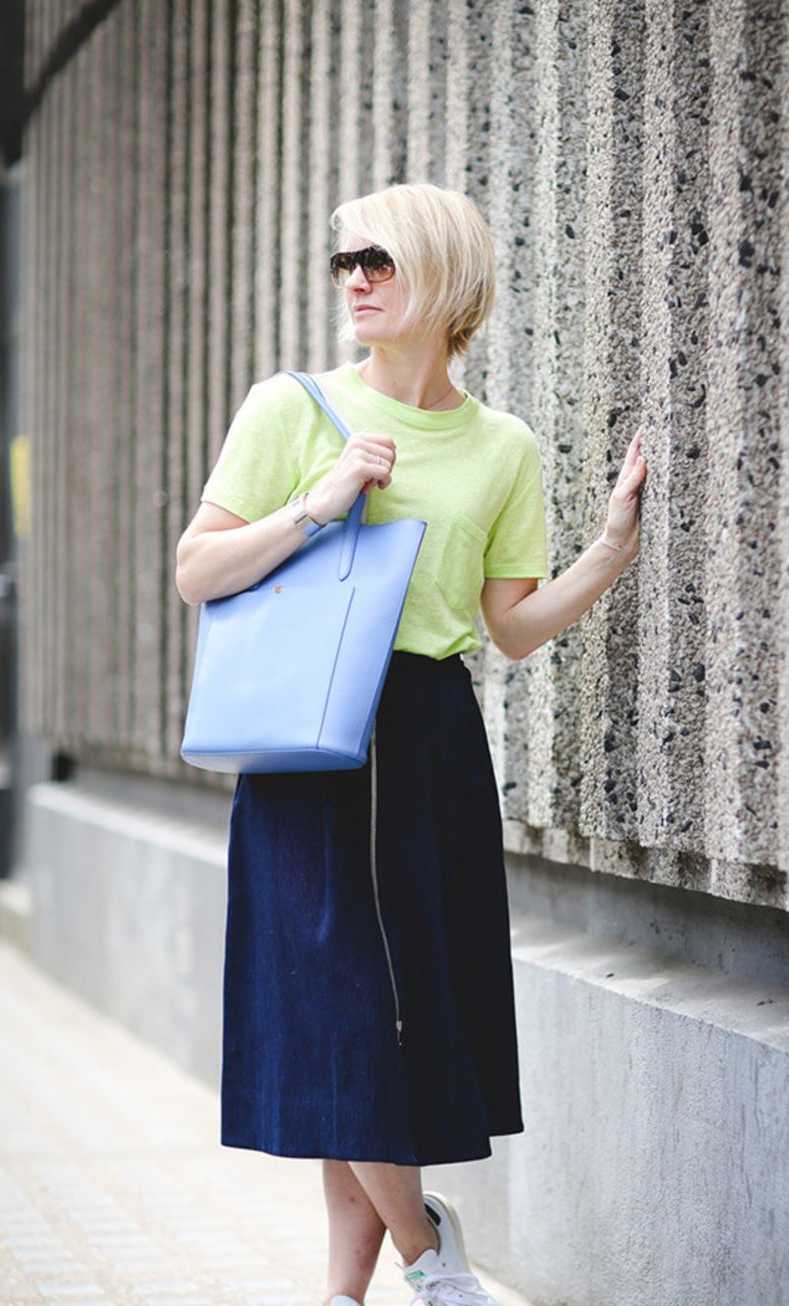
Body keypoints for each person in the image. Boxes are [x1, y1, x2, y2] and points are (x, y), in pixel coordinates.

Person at [175, 182, 646, 1306]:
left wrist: (609, 553)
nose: (355, 279)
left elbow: (509, 627)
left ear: (442, 277)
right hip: (309, 743)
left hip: (428, 739)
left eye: (377, 259)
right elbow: (197, 569)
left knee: (387, 1021)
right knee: (341, 1014)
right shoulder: (291, 408)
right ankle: (434, 1260)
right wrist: (320, 504)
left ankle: (346, 1294)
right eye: (345, 260)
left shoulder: (501, 447)